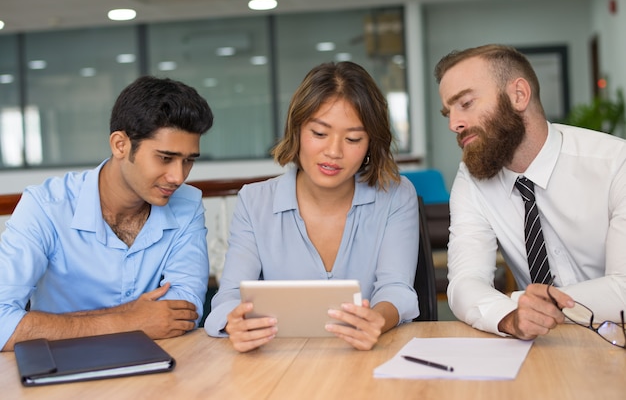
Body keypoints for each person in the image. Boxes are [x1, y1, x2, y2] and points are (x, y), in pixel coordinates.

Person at [205, 61, 419, 352]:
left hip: (367, 359)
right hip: (280, 363)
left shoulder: (395, 194)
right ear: (297, 130)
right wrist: (235, 323)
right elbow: (229, 296)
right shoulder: (255, 201)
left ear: (371, 143)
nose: (333, 152)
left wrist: (377, 320)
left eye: (353, 138)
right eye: (319, 133)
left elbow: (397, 289)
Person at [0, 75, 214, 351]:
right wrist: (128, 320)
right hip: (60, 373)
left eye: (188, 161)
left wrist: (54, 324)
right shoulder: (46, 206)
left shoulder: (188, 204)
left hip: (156, 366)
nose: (177, 176)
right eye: (165, 158)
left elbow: (185, 312)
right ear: (120, 145)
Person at [434, 43, 626, 340]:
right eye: (448, 112)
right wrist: (510, 317)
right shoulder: (471, 179)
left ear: (518, 95)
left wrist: (525, 304)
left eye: (466, 103)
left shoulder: (615, 164)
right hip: (546, 350)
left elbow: (624, 288)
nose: (453, 124)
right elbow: (464, 281)